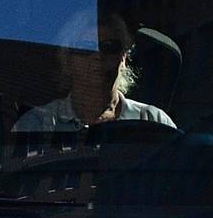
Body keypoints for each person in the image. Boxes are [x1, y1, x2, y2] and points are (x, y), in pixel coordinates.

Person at [16, 11, 174, 133]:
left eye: (109, 46)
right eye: (86, 47)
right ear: (67, 58)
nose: (98, 56)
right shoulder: (36, 125)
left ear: (124, 57)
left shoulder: (153, 121)